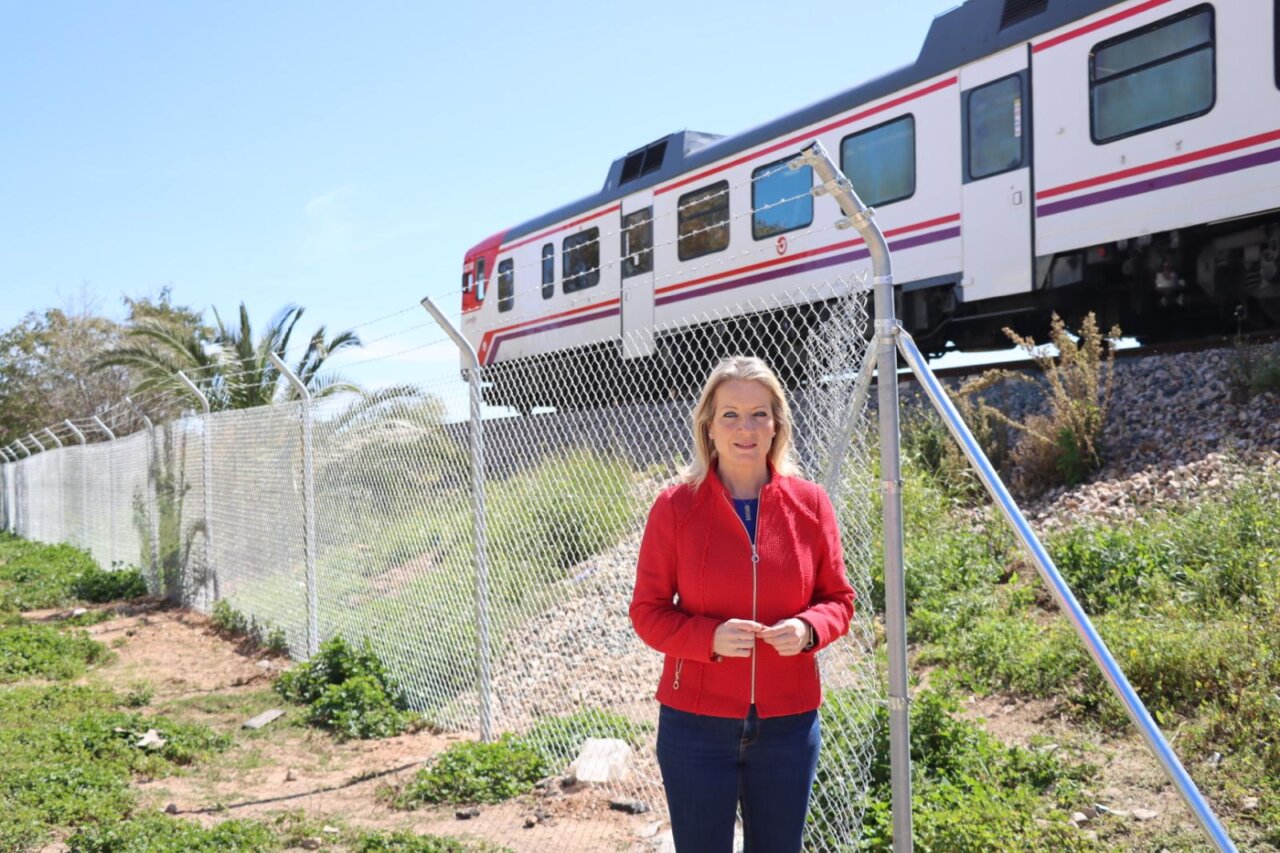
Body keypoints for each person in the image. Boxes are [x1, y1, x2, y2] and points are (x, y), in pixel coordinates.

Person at [629, 355, 856, 853]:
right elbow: (647, 611)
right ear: (708, 426)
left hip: (788, 725)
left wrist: (808, 630)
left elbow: (838, 599)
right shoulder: (674, 507)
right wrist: (708, 638)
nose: (745, 428)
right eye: (730, 414)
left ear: (777, 425)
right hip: (694, 724)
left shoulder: (811, 503)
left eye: (759, 414)